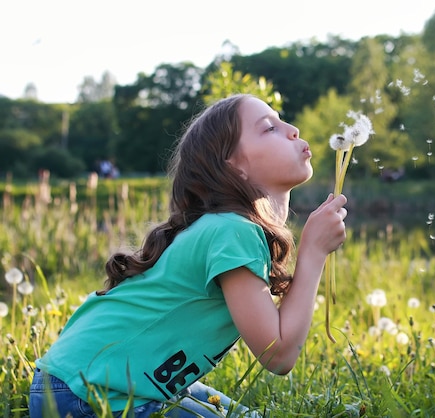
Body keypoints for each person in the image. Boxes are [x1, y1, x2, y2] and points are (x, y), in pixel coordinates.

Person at [29, 94, 348, 417]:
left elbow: (278, 341)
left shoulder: (227, 228)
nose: (292, 130)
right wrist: (313, 252)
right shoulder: (233, 230)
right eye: (269, 128)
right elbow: (277, 354)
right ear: (233, 165)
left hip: (76, 382)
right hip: (92, 394)